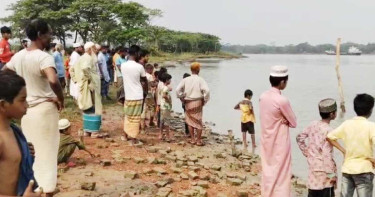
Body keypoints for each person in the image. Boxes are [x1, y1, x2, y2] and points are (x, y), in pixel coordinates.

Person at [3, 19, 64, 197]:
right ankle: (48, 190)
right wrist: (59, 97)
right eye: (48, 34)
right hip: (44, 110)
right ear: (40, 35)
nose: (50, 38)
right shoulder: (44, 57)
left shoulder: (19, 56)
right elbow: (53, 80)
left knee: (31, 152)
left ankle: (34, 187)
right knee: (48, 152)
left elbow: (4, 72)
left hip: (26, 111)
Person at [0, 71, 41, 197]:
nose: (26, 105)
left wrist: (24, 153)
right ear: (3, 105)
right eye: (22, 100)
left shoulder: (14, 131)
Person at [259, 65, 297, 197]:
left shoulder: (262, 96)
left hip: (266, 138)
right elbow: (294, 122)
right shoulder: (282, 100)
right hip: (280, 140)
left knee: (268, 169)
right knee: (282, 172)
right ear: (282, 82)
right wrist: (283, 120)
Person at [327, 94, 375, 197]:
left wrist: (343, 151)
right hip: (364, 169)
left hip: (347, 169)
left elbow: (330, 137)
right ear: (370, 110)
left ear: (355, 108)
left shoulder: (347, 124)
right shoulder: (371, 126)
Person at [296, 98, 337, 197]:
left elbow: (299, 138)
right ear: (332, 114)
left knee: (313, 193)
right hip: (325, 173)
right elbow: (327, 155)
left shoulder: (313, 124)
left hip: (313, 169)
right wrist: (332, 175)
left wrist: (306, 151)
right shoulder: (329, 131)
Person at [71, 42, 102, 137]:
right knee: (92, 106)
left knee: (87, 106)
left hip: (84, 86)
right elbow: (85, 69)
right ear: (90, 49)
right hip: (89, 87)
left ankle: (87, 130)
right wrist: (90, 81)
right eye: (94, 49)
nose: (96, 51)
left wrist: (77, 80)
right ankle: (93, 131)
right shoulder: (88, 58)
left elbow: (71, 70)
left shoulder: (81, 58)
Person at [176, 62, 210, 146]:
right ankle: (198, 140)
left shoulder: (185, 79)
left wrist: (181, 97)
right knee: (198, 121)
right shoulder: (200, 80)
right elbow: (207, 91)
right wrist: (205, 100)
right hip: (198, 101)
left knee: (190, 121)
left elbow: (177, 90)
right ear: (198, 70)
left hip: (188, 102)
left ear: (191, 70)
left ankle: (192, 139)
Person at [121, 45, 148, 144]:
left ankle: (125, 135)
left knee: (128, 115)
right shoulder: (139, 67)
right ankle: (133, 139)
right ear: (136, 54)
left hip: (128, 95)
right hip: (137, 95)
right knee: (136, 118)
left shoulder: (123, 65)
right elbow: (144, 81)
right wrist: (145, 93)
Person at [141, 63, 156, 130]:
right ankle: (151, 122)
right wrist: (156, 82)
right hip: (149, 94)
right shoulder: (149, 76)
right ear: (149, 69)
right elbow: (152, 85)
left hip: (142, 94)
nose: (152, 71)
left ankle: (142, 124)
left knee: (144, 108)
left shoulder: (142, 75)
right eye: (152, 69)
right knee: (152, 107)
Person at [159, 73, 173, 141]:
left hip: (162, 106)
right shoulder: (166, 88)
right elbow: (164, 95)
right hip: (166, 107)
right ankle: (167, 136)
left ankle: (161, 134)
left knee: (162, 121)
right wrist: (168, 100)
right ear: (167, 80)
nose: (170, 81)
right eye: (170, 79)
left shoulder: (162, 87)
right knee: (166, 121)